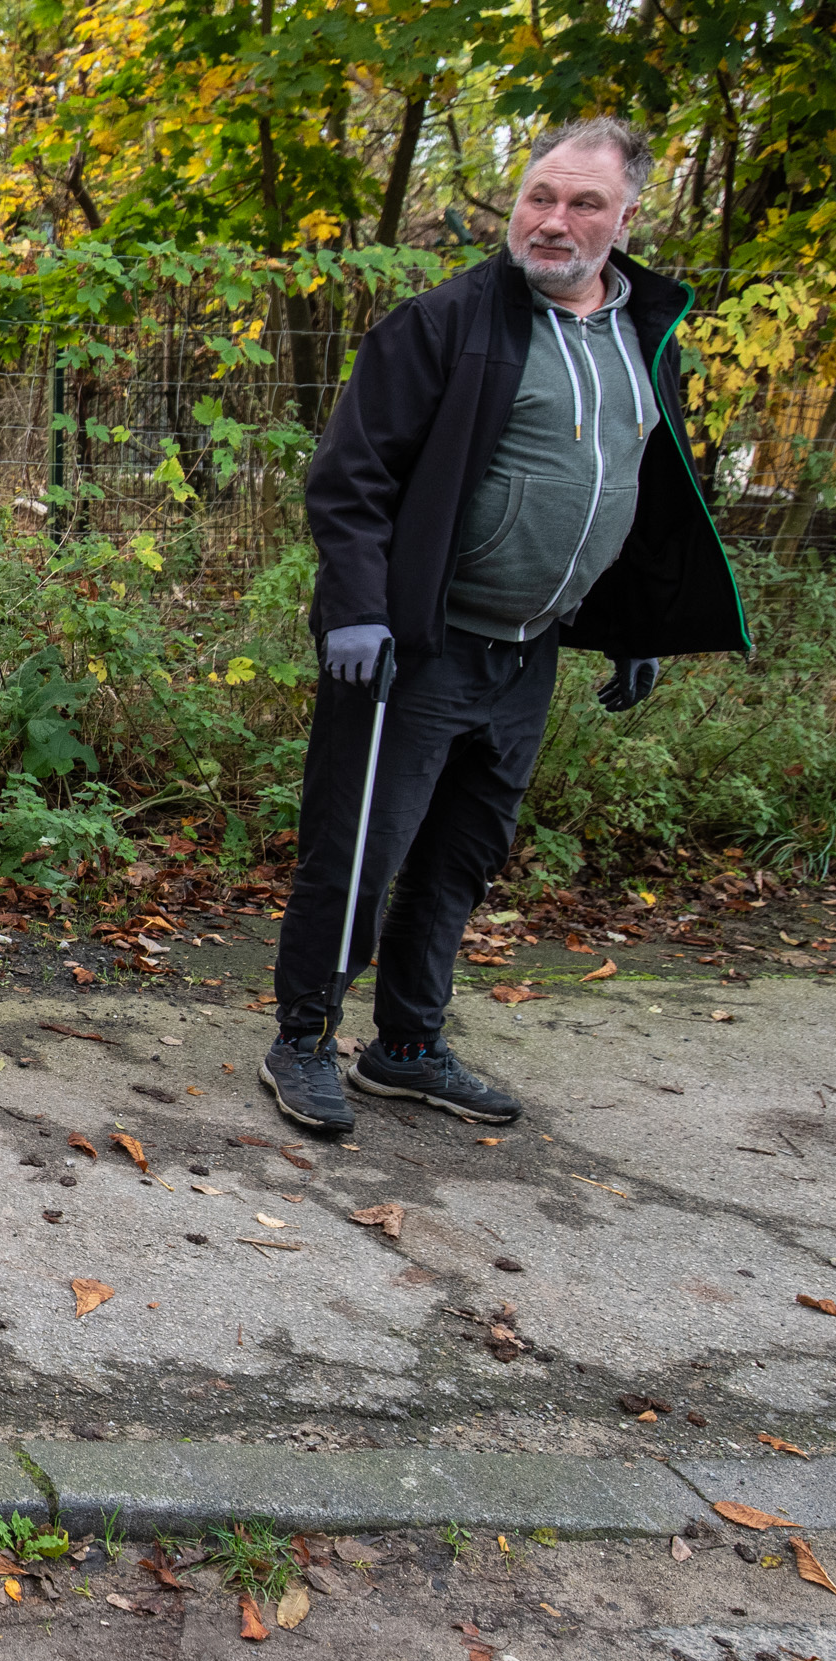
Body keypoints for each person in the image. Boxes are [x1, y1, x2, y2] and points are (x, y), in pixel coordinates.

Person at [265, 117, 746, 1136]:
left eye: (580, 204)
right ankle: (300, 1040)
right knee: (356, 852)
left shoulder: (639, 338)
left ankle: (402, 1050)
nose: (552, 220)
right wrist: (356, 612)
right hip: (414, 647)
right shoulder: (444, 325)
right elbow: (348, 483)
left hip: (528, 653)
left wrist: (635, 623)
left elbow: (639, 491)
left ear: (625, 217)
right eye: (537, 196)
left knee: (456, 862)